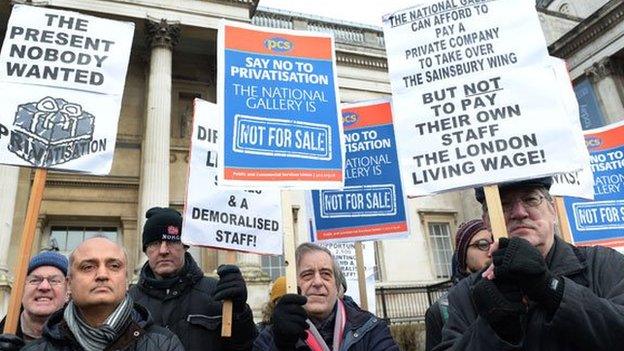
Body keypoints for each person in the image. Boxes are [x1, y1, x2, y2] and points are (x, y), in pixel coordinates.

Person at [435, 177, 624, 350]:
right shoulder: (466, 294)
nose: (519, 212)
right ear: (487, 222)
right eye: (503, 204)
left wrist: (553, 289)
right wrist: (494, 328)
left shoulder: (603, 264)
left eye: (531, 199)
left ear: (553, 211)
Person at [129, 207, 257, 351]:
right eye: (155, 243)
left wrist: (239, 312)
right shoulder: (128, 303)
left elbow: (246, 346)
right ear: (146, 250)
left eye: (172, 242)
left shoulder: (218, 293)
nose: (163, 250)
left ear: (185, 246)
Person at [22, 237, 183, 350]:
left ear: (126, 281)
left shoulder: (164, 345)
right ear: (69, 284)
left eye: (113, 266)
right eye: (88, 267)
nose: (102, 275)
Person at [254, 242, 399, 350]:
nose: (317, 282)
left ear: (337, 287)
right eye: (307, 275)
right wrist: (281, 346)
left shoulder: (371, 329)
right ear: (293, 286)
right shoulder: (268, 338)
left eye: (325, 274)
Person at [425, 219, 492, 351]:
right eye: (483, 244)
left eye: (496, 241)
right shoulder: (441, 310)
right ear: (463, 256)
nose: (492, 249)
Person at [0, 252, 69, 350]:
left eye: (54, 281)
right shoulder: (3, 332)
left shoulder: (84, 342)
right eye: (35, 280)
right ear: (22, 290)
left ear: (68, 292)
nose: (44, 287)